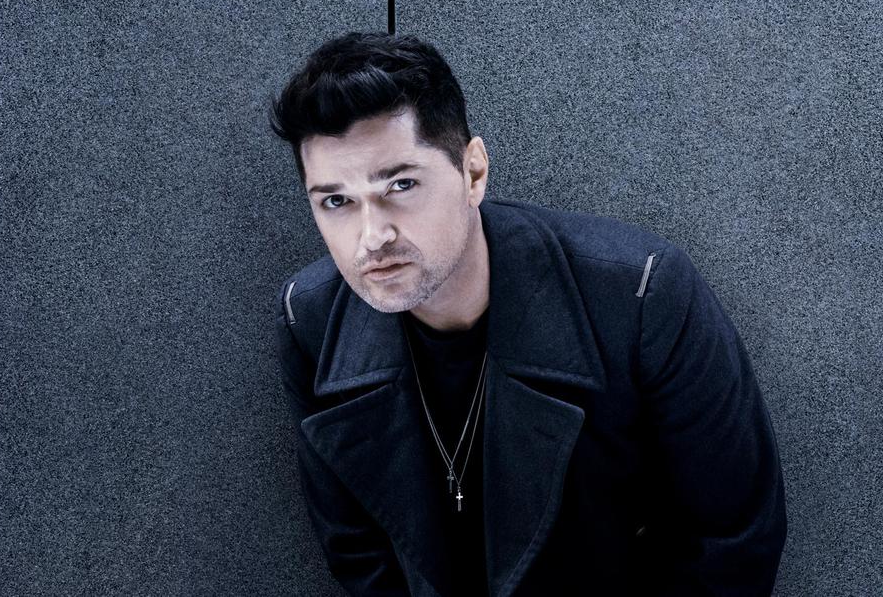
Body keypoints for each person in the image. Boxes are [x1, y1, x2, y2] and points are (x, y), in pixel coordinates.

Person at [270, 32, 787, 597]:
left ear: (473, 173)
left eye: (401, 184)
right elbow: (356, 549)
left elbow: (732, 540)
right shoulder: (311, 321)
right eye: (337, 201)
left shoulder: (641, 293)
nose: (372, 237)